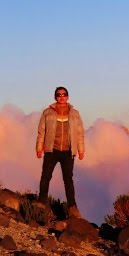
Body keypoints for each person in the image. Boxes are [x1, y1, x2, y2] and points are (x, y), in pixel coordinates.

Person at [36, 86, 85, 219]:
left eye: (64, 94)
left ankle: (72, 208)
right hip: (52, 149)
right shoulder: (47, 112)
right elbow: (42, 131)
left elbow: (80, 133)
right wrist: (39, 147)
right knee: (46, 177)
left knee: (68, 179)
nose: (61, 97)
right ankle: (41, 203)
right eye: (59, 94)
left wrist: (81, 150)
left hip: (68, 152)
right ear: (55, 97)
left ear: (68, 97)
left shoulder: (75, 113)